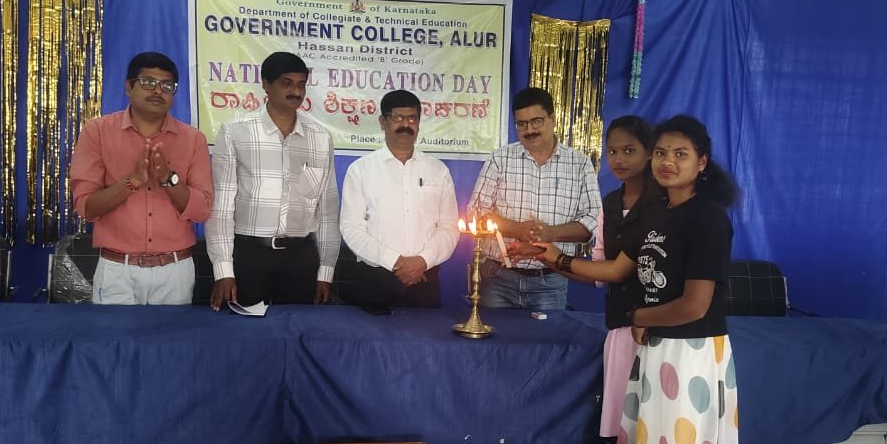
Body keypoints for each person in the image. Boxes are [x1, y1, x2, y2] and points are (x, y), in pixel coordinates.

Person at [535, 115, 741, 444]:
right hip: (655, 349)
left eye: (680, 154)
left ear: (702, 162)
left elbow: (695, 306)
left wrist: (639, 317)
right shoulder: (657, 212)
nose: (668, 162)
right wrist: (554, 257)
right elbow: (617, 269)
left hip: (691, 354)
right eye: (662, 153)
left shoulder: (707, 219)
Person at [537, 116, 663, 437]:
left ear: (650, 152)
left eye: (629, 150)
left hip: (657, 328)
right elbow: (599, 274)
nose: (618, 159)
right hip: (621, 326)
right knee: (621, 425)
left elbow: (618, 270)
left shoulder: (662, 204)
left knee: (653, 424)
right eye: (612, 151)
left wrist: (558, 257)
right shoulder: (610, 203)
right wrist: (546, 257)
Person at [70, 51, 213, 305]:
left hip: (175, 270)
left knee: (170, 333)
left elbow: (202, 210)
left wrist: (169, 178)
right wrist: (132, 182)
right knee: (114, 333)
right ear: (129, 86)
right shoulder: (97, 132)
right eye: (148, 82)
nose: (158, 91)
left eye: (167, 85)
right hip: (117, 269)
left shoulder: (193, 140)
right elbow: (86, 207)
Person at [206, 51, 339, 310]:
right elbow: (221, 208)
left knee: (299, 330)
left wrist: (325, 272)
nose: (296, 91)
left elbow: (327, 211)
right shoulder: (235, 132)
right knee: (246, 330)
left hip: (301, 259)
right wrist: (223, 270)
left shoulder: (321, 138)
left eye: (301, 84)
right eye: (286, 83)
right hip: (250, 257)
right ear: (266, 84)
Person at [467, 87, 601, 310]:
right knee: (492, 334)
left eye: (536, 121)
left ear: (552, 119)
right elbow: (476, 212)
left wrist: (551, 233)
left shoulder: (579, 163)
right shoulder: (500, 158)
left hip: (551, 278)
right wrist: (517, 229)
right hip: (498, 276)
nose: (529, 130)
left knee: (547, 334)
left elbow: (593, 221)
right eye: (522, 124)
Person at [337, 90, 458, 309]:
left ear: (419, 124)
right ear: (383, 122)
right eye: (398, 117)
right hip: (376, 281)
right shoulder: (361, 170)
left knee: (428, 333)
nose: (405, 125)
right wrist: (395, 261)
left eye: (412, 118)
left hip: (425, 280)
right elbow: (351, 228)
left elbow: (449, 228)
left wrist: (422, 260)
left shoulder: (438, 170)